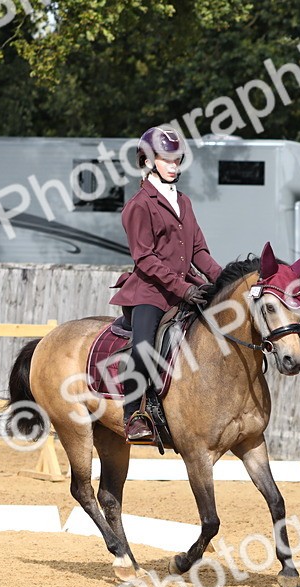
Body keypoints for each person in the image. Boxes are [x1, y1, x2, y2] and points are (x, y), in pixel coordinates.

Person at [110, 127, 224, 443]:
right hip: (149, 293)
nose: (173, 167)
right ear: (147, 161)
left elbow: (199, 251)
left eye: (177, 161)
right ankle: (133, 414)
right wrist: (182, 287)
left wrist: (223, 279)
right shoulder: (138, 205)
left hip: (185, 286)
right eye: (166, 160)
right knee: (144, 347)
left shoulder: (184, 202)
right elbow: (144, 259)